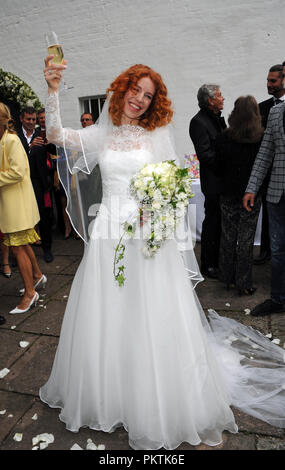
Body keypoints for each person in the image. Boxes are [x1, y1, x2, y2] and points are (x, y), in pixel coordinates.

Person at [40, 57, 285, 450]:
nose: (139, 99)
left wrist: (155, 214)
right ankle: (112, 391)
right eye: (135, 90)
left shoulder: (156, 135)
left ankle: (155, 387)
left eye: (148, 95)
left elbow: (172, 187)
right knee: (108, 312)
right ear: (122, 89)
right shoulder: (101, 135)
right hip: (108, 236)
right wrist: (52, 89)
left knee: (150, 311)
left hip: (146, 235)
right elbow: (55, 134)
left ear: (155, 103)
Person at [0, 102, 47, 314]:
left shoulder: (11, 140)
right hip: (11, 202)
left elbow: (18, 172)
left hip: (16, 203)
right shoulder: (4, 140)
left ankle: (30, 294)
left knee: (18, 247)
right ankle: (37, 276)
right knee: (24, 243)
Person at [215, 96, 263, 295]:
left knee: (227, 236)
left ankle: (226, 278)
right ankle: (244, 283)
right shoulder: (260, 139)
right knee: (245, 239)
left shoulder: (223, 137)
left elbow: (218, 165)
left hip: (227, 193)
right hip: (250, 194)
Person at [243, 99, 285, 317]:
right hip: (277, 194)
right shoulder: (276, 112)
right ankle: (278, 299)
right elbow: (265, 153)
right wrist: (252, 187)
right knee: (277, 253)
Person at [189, 84, 226, 279]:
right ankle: (208, 264)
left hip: (224, 180)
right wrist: (228, 161)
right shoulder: (198, 122)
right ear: (210, 100)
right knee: (212, 221)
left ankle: (218, 260)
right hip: (213, 182)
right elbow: (205, 155)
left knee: (220, 222)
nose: (223, 98)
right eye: (219, 96)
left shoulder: (218, 119)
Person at [254, 64, 285, 265]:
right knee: (269, 218)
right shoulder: (263, 108)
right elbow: (260, 144)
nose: (269, 84)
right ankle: (266, 250)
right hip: (269, 177)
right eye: (267, 80)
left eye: (272, 81)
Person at [29, 109, 55, 262]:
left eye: (34, 119)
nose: (31, 121)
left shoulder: (49, 134)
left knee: (44, 215)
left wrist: (51, 142)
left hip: (41, 182)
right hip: (24, 181)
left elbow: (55, 151)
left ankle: (47, 248)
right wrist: (30, 147)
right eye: (30, 119)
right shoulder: (20, 135)